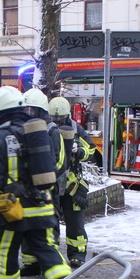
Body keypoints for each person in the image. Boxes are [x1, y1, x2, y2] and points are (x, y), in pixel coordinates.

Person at [0, 85, 81, 279]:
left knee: (5, 249)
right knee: (48, 250)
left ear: (1, 113)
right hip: (43, 203)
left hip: (12, 208)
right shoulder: (38, 131)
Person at [19, 87, 66, 277]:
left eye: (32, 110)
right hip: (30, 187)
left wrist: (44, 177)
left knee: (49, 228)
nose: (28, 114)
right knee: (29, 225)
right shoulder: (27, 128)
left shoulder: (52, 131)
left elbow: (60, 161)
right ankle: (31, 263)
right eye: (26, 110)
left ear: (41, 111)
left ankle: (50, 270)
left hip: (48, 187)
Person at [48, 96, 95, 268]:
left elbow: (91, 150)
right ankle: (51, 259)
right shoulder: (47, 129)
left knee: (75, 221)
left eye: (60, 119)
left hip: (72, 183)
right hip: (52, 182)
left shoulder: (77, 129)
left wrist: (79, 150)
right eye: (54, 119)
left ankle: (77, 255)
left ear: (67, 115)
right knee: (50, 222)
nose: (58, 122)